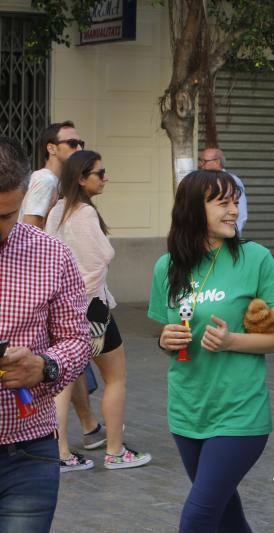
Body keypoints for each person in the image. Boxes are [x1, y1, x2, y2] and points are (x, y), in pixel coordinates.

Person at [148, 170, 274, 532]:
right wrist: (164, 340)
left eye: (235, 201)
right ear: (193, 210)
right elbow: (166, 330)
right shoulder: (166, 267)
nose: (234, 210)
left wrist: (234, 341)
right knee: (226, 515)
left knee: (198, 516)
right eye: (223, 202)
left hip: (240, 414)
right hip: (187, 412)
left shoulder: (255, 258)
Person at [0, 136, 91, 532]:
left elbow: (78, 339)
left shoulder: (52, 254)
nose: (0, 228)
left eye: (7, 215)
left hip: (27, 453)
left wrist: (46, 366)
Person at [46, 150, 151, 470]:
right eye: (99, 173)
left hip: (60, 307)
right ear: (81, 178)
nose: (105, 178)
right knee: (115, 377)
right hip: (92, 309)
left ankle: (60, 452)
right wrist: (92, 314)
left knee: (61, 382)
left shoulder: (57, 210)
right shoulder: (84, 214)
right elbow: (97, 263)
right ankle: (115, 451)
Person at [18, 122, 103, 451]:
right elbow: (32, 229)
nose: (78, 147)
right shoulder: (45, 180)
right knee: (62, 361)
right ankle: (62, 442)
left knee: (72, 358)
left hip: (56, 282)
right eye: (70, 142)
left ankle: (88, 426)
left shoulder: (59, 182)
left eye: (81, 141)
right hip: (43, 282)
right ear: (51, 148)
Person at [198, 147, 248, 233]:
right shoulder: (201, 180)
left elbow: (241, 212)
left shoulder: (231, 180)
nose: (201, 165)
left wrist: (233, 237)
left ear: (217, 161)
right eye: (201, 161)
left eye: (205, 161)